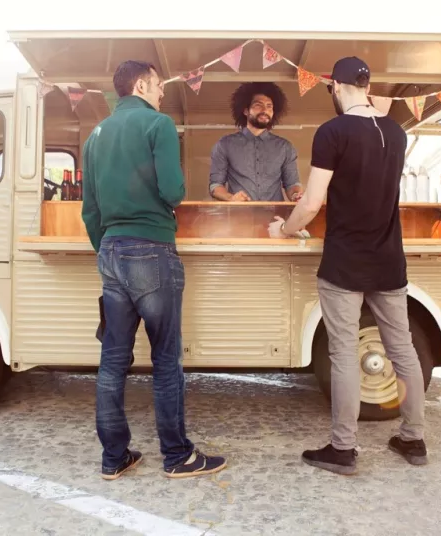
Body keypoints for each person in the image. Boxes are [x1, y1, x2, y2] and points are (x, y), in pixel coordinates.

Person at [267, 56, 427, 474]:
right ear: (367, 85)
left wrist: (284, 230)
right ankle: (414, 440)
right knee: (403, 350)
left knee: (343, 353)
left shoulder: (332, 132)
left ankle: (343, 449)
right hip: (389, 258)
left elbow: (312, 202)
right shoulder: (395, 132)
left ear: (335, 88)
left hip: (344, 261)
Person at [81, 60, 227, 480]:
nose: (163, 92)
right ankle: (178, 456)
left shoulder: (95, 135)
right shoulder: (158, 125)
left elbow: (91, 210)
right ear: (142, 84)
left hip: (110, 251)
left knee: (112, 361)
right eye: (159, 84)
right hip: (152, 249)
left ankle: (114, 457)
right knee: (165, 359)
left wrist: (107, 250)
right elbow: (173, 191)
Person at [208, 82, 303, 202]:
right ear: (246, 110)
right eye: (258, 105)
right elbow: (215, 185)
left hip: (276, 218)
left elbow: (292, 184)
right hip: (239, 217)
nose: (265, 110)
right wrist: (231, 198)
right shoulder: (224, 145)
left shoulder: (285, 147)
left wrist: (296, 196)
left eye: (269, 106)